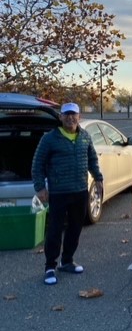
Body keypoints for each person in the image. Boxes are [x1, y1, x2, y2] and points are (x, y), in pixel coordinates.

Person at [32, 102, 104, 286]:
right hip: (58, 192)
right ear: (61, 117)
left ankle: (68, 261)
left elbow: (92, 159)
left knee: (75, 228)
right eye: (67, 114)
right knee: (55, 230)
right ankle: (50, 267)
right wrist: (40, 187)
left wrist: (98, 177)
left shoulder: (85, 137)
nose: (70, 118)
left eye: (74, 114)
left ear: (79, 116)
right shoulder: (50, 139)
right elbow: (37, 164)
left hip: (80, 191)